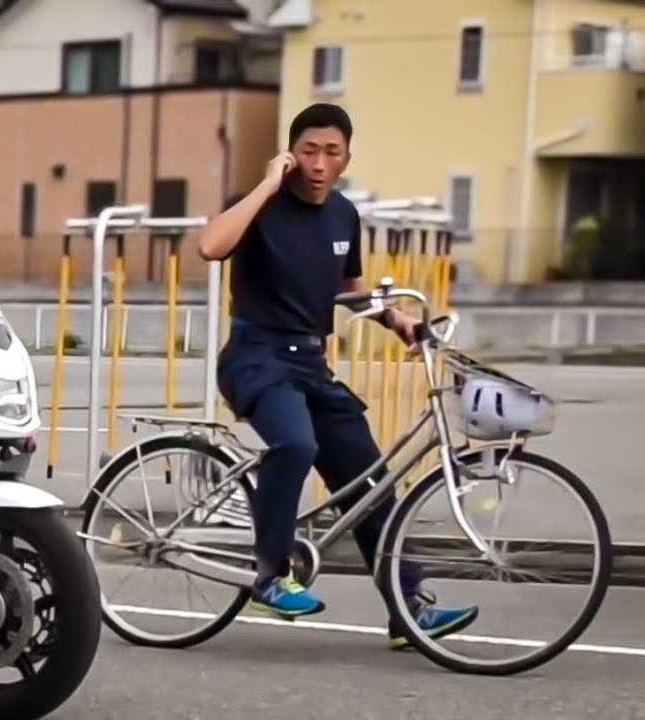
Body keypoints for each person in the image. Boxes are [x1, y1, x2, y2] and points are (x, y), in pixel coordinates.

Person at [197, 103, 479, 650]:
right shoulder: (261, 205)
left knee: (370, 478)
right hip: (256, 355)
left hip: (310, 362)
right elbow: (211, 246)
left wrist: (394, 317)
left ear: (347, 157)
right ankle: (271, 574)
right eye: (308, 150)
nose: (320, 163)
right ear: (290, 153)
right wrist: (264, 186)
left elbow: (346, 287)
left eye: (332, 152)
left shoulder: (343, 214)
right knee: (296, 444)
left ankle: (408, 607)